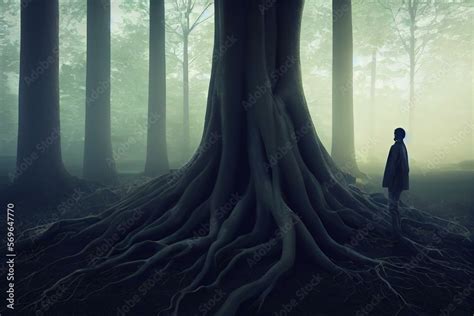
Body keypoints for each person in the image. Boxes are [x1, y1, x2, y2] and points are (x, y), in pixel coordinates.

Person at [382, 127, 409, 240]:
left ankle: (396, 234)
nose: (393, 134)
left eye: (395, 133)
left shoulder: (395, 147)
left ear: (399, 135)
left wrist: (388, 182)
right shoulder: (403, 147)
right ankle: (398, 231)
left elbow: (391, 166)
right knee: (395, 207)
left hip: (394, 182)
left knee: (392, 207)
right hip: (400, 182)